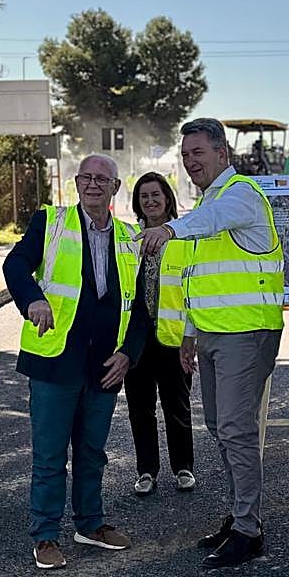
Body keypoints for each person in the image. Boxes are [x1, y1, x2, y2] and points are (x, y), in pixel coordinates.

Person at [140, 117, 285, 569]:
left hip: (247, 332)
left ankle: (248, 529)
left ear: (223, 153)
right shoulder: (208, 202)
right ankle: (241, 515)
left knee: (237, 430)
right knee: (222, 427)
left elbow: (211, 220)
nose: (190, 161)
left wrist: (170, 229)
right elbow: (197, 279)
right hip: (212, 334)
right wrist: (190, 333)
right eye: (185, 154)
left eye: (198, 152)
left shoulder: (239, 194)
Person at [4, 154, 149, 571]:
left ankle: (90, 523)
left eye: (102, 179)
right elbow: (15, 265)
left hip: (106, 365)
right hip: (55, 361)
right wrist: (33, 299)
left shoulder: (129, 237)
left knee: (92, 452)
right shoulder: (51, 222)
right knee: (50, 455)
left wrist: (129, 354)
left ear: (116, 188)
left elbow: (141, 305)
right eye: (86, 177)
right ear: (76, 182)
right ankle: (45, 535)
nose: (93, 184)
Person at [125, 171, 195, 496]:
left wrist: (191, 336)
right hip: (136, 340)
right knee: (140, 407)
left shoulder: (183, 238)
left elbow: (193, 288)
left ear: (167, 198)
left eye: (156, 195)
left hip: (174, 337)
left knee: (176, 405)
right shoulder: (130, 240)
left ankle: (183, 467)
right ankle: (146, 471)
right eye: (144, 196)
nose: (150, 201)